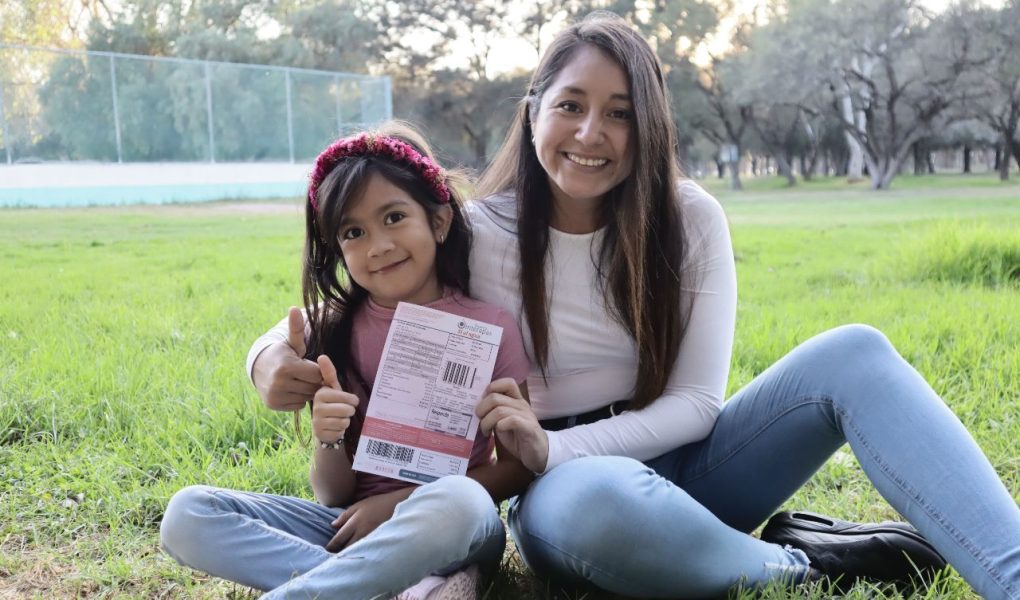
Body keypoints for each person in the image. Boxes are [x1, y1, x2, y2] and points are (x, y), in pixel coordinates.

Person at [249, 14, 1020, 600]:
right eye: (571, 105)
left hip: (692, 467)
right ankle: (805, 564)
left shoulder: (689, 220)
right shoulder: (476, 231)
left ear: (648, 124)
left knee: (853, 352)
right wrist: (269, 361)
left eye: (620, 113)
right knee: (595, 503)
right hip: (561, 494)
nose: (592, 133)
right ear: (533, 111)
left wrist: (557, 449)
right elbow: (341, 310)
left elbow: (696, 403)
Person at [161, 123, 533, 600]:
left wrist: (393, 507)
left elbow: (517, 467)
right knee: (188, 515)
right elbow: (332, 496)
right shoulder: (333, 326)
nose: (378, 245)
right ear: (338, 249)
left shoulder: (490, 326)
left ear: (439, 222)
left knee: (458, 500)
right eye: (354, 232)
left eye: (394, 217)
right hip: (349, 529)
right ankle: (396, 588)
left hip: (455, 526)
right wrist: (329, 438)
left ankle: (352, 586)